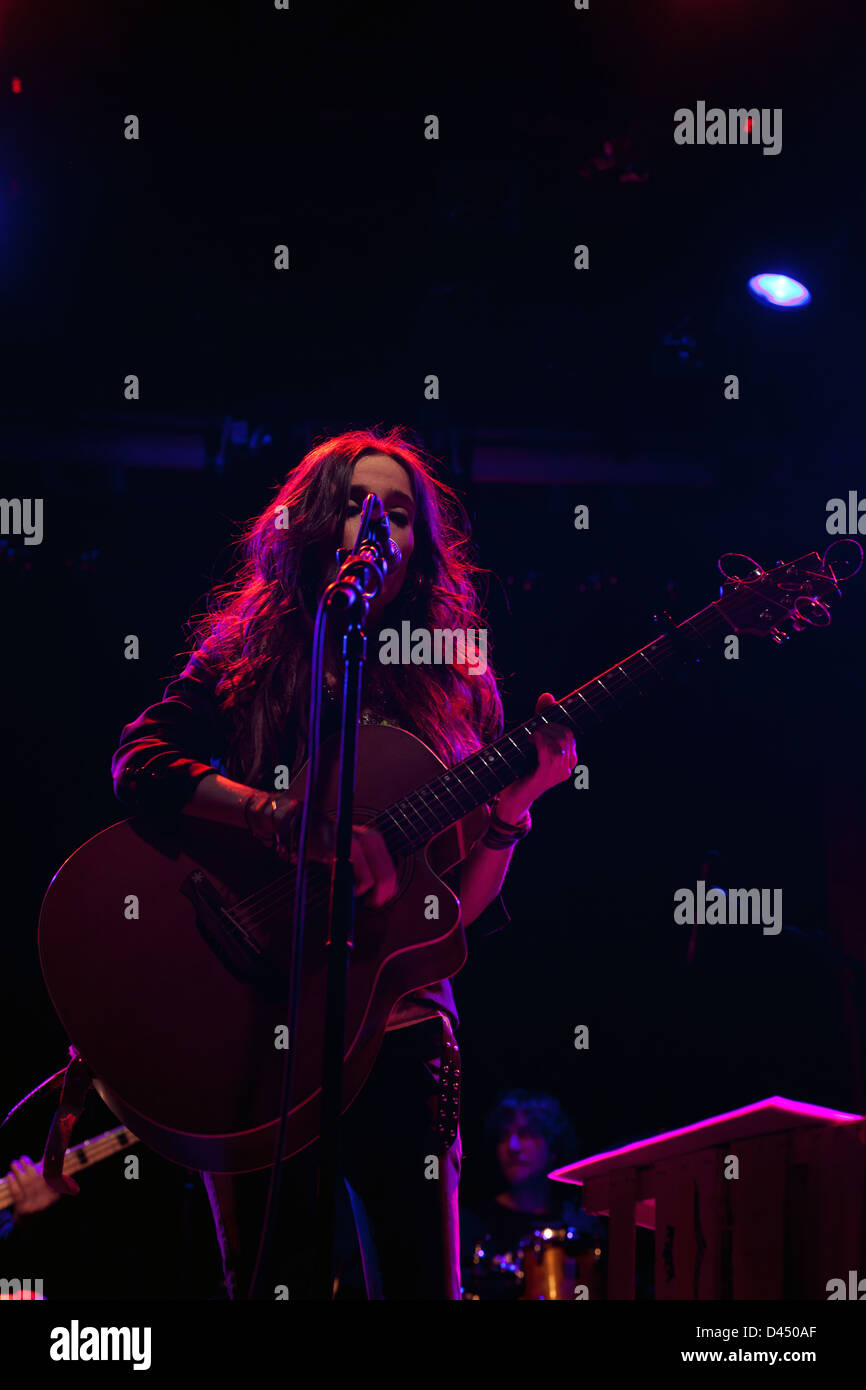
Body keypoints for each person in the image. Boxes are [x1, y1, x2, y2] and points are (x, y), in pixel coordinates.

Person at [110, 427, 578, 1300]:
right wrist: (279, 816)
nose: (379, 530)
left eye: (399, 515)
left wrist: (515, 808)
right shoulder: (249, 659)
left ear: (422, 544)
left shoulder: (458, 679)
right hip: (256, 1031)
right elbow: (142, 763)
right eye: (358, 509)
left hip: (400, 1036)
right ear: (314, 528)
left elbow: (452, 916)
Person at [460, 1090, 607, 1299]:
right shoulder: (471, 1226)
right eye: (504, 1136)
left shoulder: (583, 1224)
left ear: (553, 1147)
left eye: (527, 1133)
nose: (513, 1147)